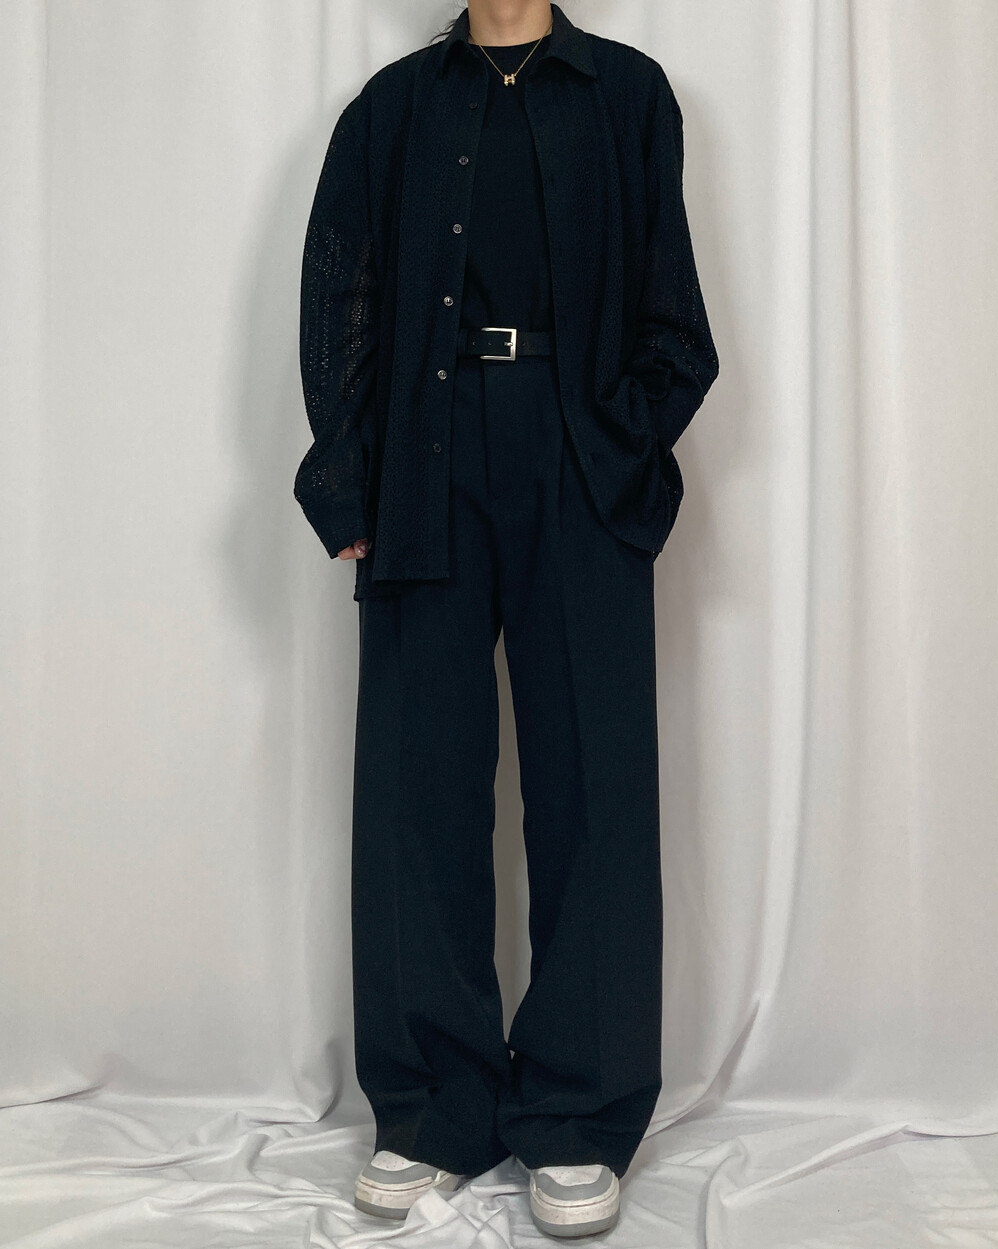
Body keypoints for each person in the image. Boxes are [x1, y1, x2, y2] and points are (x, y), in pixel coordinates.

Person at [295, 0, 718, 1237]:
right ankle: (433, 1108)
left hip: (580, 462)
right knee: (416, 785)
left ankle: (579, 1112)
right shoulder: (391, 110)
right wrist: (348, 478)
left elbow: (672, 313)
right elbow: (340, 294)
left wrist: (620, 448)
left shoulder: (628, 95)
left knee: (593, 785)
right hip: (424, 460)